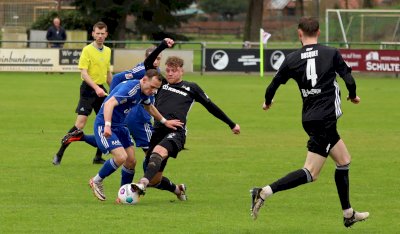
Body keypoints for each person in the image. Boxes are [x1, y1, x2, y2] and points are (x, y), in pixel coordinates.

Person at [249, 17, 369, 228]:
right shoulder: (331, 53)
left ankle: (348, 213)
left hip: (311, 118)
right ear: (319, 32)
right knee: (311, 173)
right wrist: (353, 95)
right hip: (325, 120)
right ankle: (264, 191)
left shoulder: (292, 58)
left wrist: (267, 102)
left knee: (344, 160)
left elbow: (272, 85)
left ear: (299, 33)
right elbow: (348, 78)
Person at [130, 56, 241, 201]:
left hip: (176, 132)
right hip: (158, 131)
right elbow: (148, 64)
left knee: (158, 153)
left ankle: (142, 183)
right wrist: (163, 45)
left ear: (182, 71)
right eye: (168, 70)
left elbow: (211, 106)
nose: (170, 74)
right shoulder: (161, 84)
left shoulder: (191, 87)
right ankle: (178, 190)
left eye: (174, 71)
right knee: (155, 180)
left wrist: (231, 124)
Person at [60, 39, 173, 163]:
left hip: (136, 110)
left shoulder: (156, 74)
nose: (156, 61)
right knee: (149, 152)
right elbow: (118, 77)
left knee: (119, 142)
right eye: (154, 58)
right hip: (135, 113)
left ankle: (83, 139)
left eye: (159, 59)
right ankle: (148, 180)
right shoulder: (142, 69)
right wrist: (113, 96)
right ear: (147, 58)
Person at [88, 69, 183, 201]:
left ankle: (122, 196)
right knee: (121, 157)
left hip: (120, 126)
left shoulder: (145, 92)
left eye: (156, 89)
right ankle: (96, 180)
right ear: (144, 80)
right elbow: (109, 104)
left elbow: (149, 107)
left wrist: (165, 121)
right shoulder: (130, 89)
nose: (154, 91)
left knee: (131, 160)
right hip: (104, 124)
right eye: (152, 87)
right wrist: (108, 125)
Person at [52, 21, 112, 165]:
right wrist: (96, 88)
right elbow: (84, 73)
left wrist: (114, 90)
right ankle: (59, 154)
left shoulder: (108, 51)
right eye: (97, 33)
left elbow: (108, 73)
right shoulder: (87, 50)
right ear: (93, 34)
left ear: (106, 35)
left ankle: (98, 156)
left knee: (107, 123)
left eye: (102, 34)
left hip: (101, 89)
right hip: (88, 89)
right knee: (80, 125)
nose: (100, 36)